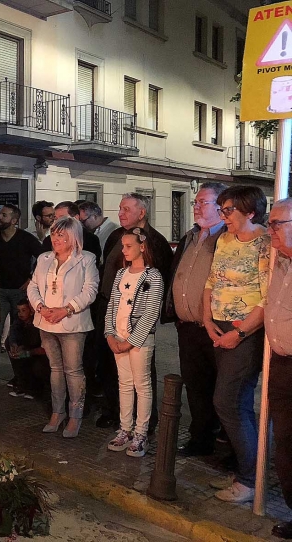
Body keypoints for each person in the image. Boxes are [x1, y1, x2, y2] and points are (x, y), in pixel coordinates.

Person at [202, 185, 269, 504]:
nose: (222, 215)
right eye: (221, 209)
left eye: (228, 210)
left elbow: (268, 299)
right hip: (219, 326)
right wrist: (207, 318)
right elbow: (212, 280)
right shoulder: (225, 239)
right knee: (234, 403)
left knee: (228, 401)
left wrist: (239, 333)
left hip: (246, 333)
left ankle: (249, 479)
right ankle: (248, 471)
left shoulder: (265, 244)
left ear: (250, 212)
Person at [95, 193, 173, 429]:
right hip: (109, 306)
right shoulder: (115, 237)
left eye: (126, 209)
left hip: (138, 317)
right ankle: (117, 412)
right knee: (110, 364)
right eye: (120, 208)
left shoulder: (156, 242)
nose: (120, 213)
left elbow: (162, 281)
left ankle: (146, 421)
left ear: (142, 213)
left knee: (142, 371)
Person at [162, 182, 227, 457]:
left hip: (216, 328)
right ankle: (200, 439)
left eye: (203, 202)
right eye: (196, 202)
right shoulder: (190, 237)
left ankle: (227, 443)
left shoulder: (226, 238)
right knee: (195, 385)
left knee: (222, 389)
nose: (197, 206)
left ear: (221, 208)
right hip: (187, 327)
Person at [28, 216, 98, 438]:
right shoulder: (44, 258)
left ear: (73, 237)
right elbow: (33, 286)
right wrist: (40, 307)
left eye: (61, 235)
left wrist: (66, 309)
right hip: (46, 322)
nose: (55, 239)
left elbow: (90, 291)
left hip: (72, 325)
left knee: (73, 370)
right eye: (54, 234)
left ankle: (75, 415)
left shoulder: (86, 259)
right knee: (55, 369)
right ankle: (57, 412)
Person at [104, 228, 164, 458]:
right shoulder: (121, 274)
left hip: (138, 341)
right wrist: (110, 334)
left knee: (142, 384)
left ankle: (141, 432)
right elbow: (112, 305)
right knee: (124, 383)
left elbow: (150, 313)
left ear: (142, 247)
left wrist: (130, 341)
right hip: (118, 337)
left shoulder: (153, 277)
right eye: (123, 246)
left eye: (129, 246)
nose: (124, 250)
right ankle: (125, 428)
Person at [0, 204, 43, 389]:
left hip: (20, 292)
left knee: (16, 336)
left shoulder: (26, 239)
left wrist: (31, 279)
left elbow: (43, 258)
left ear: (14, 220)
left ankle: (19, 375)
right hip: (0, 292)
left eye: (4, 215)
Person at [264, 198, 292, 539]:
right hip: (282, 365)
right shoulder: (280, 263)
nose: (269, 230)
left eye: (276, 223)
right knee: (284, 442)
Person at [6, 299, 49, 400]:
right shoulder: (19, 322)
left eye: (24, 310)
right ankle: (22, 383)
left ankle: (37, 388)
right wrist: (14, 345)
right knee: (9, 345)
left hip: (40, 356)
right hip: (28, 351)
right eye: (19, 311)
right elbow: (13, 335)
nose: (20, 314)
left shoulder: (38, 324)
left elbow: (43, 348)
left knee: (37, 366)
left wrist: (26, 352)